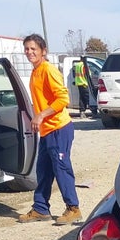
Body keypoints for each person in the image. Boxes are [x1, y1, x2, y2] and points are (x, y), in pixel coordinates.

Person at [18, 34, 83, 225]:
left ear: (43, 51)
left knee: (61, 168)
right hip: (47, 131)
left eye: (33, 49)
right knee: (43, 170)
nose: (29, 52)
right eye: (27, 49)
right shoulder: (35, 71)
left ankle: (73, 208)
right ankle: (40, 208)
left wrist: (40, 115)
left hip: (59, 128)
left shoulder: (48, 70)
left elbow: (63, 99)